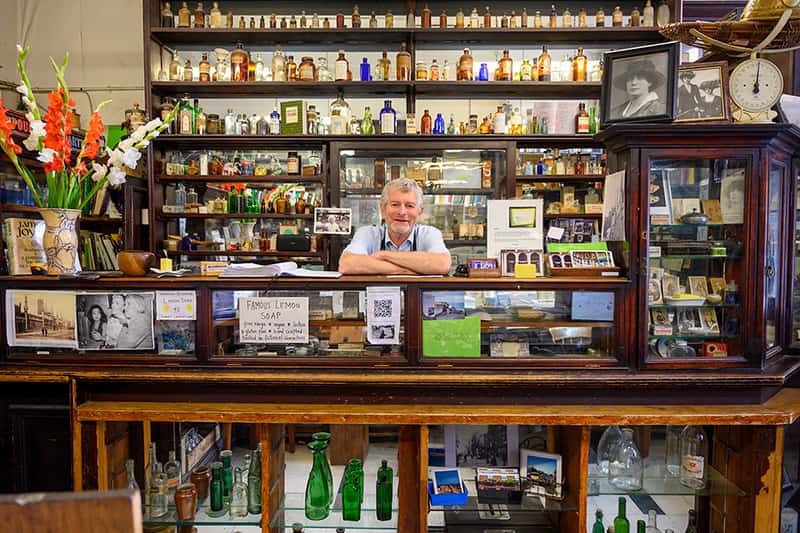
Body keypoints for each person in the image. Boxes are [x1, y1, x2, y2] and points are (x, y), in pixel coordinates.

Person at [338, 178, 451, 275]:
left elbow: (442, 264)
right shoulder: (367, 233)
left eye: (409, 205)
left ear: (420, 212)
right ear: (383, 209)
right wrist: (412, 270)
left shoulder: (429, 234)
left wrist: (384, 255)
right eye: (395, 204)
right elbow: (347, 264)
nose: (402, 212)